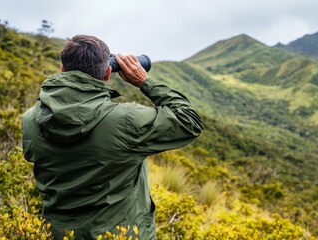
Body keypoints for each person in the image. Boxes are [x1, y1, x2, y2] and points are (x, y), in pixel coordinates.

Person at [22, 35, 204, 239]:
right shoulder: (125, 120)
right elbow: (190, 121)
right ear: (108, 73)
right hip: (118, 235)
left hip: (58, 234)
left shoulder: (31, 119)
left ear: (62, 69)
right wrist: (145, 82)